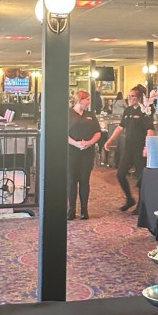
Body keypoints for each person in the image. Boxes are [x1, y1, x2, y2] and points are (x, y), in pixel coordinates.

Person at [104, 84, 154, 212]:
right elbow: (120, 127)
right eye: (129, 96)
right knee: (120, 174)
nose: (130, 98)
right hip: (129, 148)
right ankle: (129, 199)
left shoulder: (145, 111)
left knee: (140, 177)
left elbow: (150, 130)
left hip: (140, 148)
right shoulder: (127, 110)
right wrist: (109, 140)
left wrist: (147, 146)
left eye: (132, 96)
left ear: (139, 97)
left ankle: (141, 205)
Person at [67, 90, 101, 221]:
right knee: (71, 181)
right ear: (79, 100)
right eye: (87, 99)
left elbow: (98, 132)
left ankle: (84, 211)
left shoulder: (90, 115)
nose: (89, 102)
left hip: (87, 152)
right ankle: (71, 211)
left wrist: (89, 142)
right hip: (72, 151)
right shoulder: (68, 114)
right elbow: (63, 133)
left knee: (84, 181)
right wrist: (76, 143)